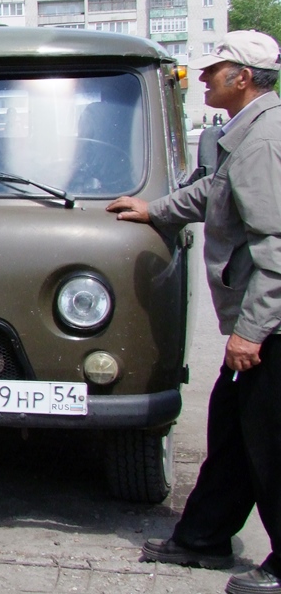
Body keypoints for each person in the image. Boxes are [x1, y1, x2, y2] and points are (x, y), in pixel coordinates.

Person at [107, 30, 281, 594]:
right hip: (256, 322)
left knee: (271, 444)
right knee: (233, 432)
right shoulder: (244, 133)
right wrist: (154, 209)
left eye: (215, 69)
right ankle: (203, 538)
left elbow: (276, 250)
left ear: (245, 78)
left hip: (270, 325)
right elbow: (212, 195)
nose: (203, 78)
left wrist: (252, 333)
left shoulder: (264, 142)